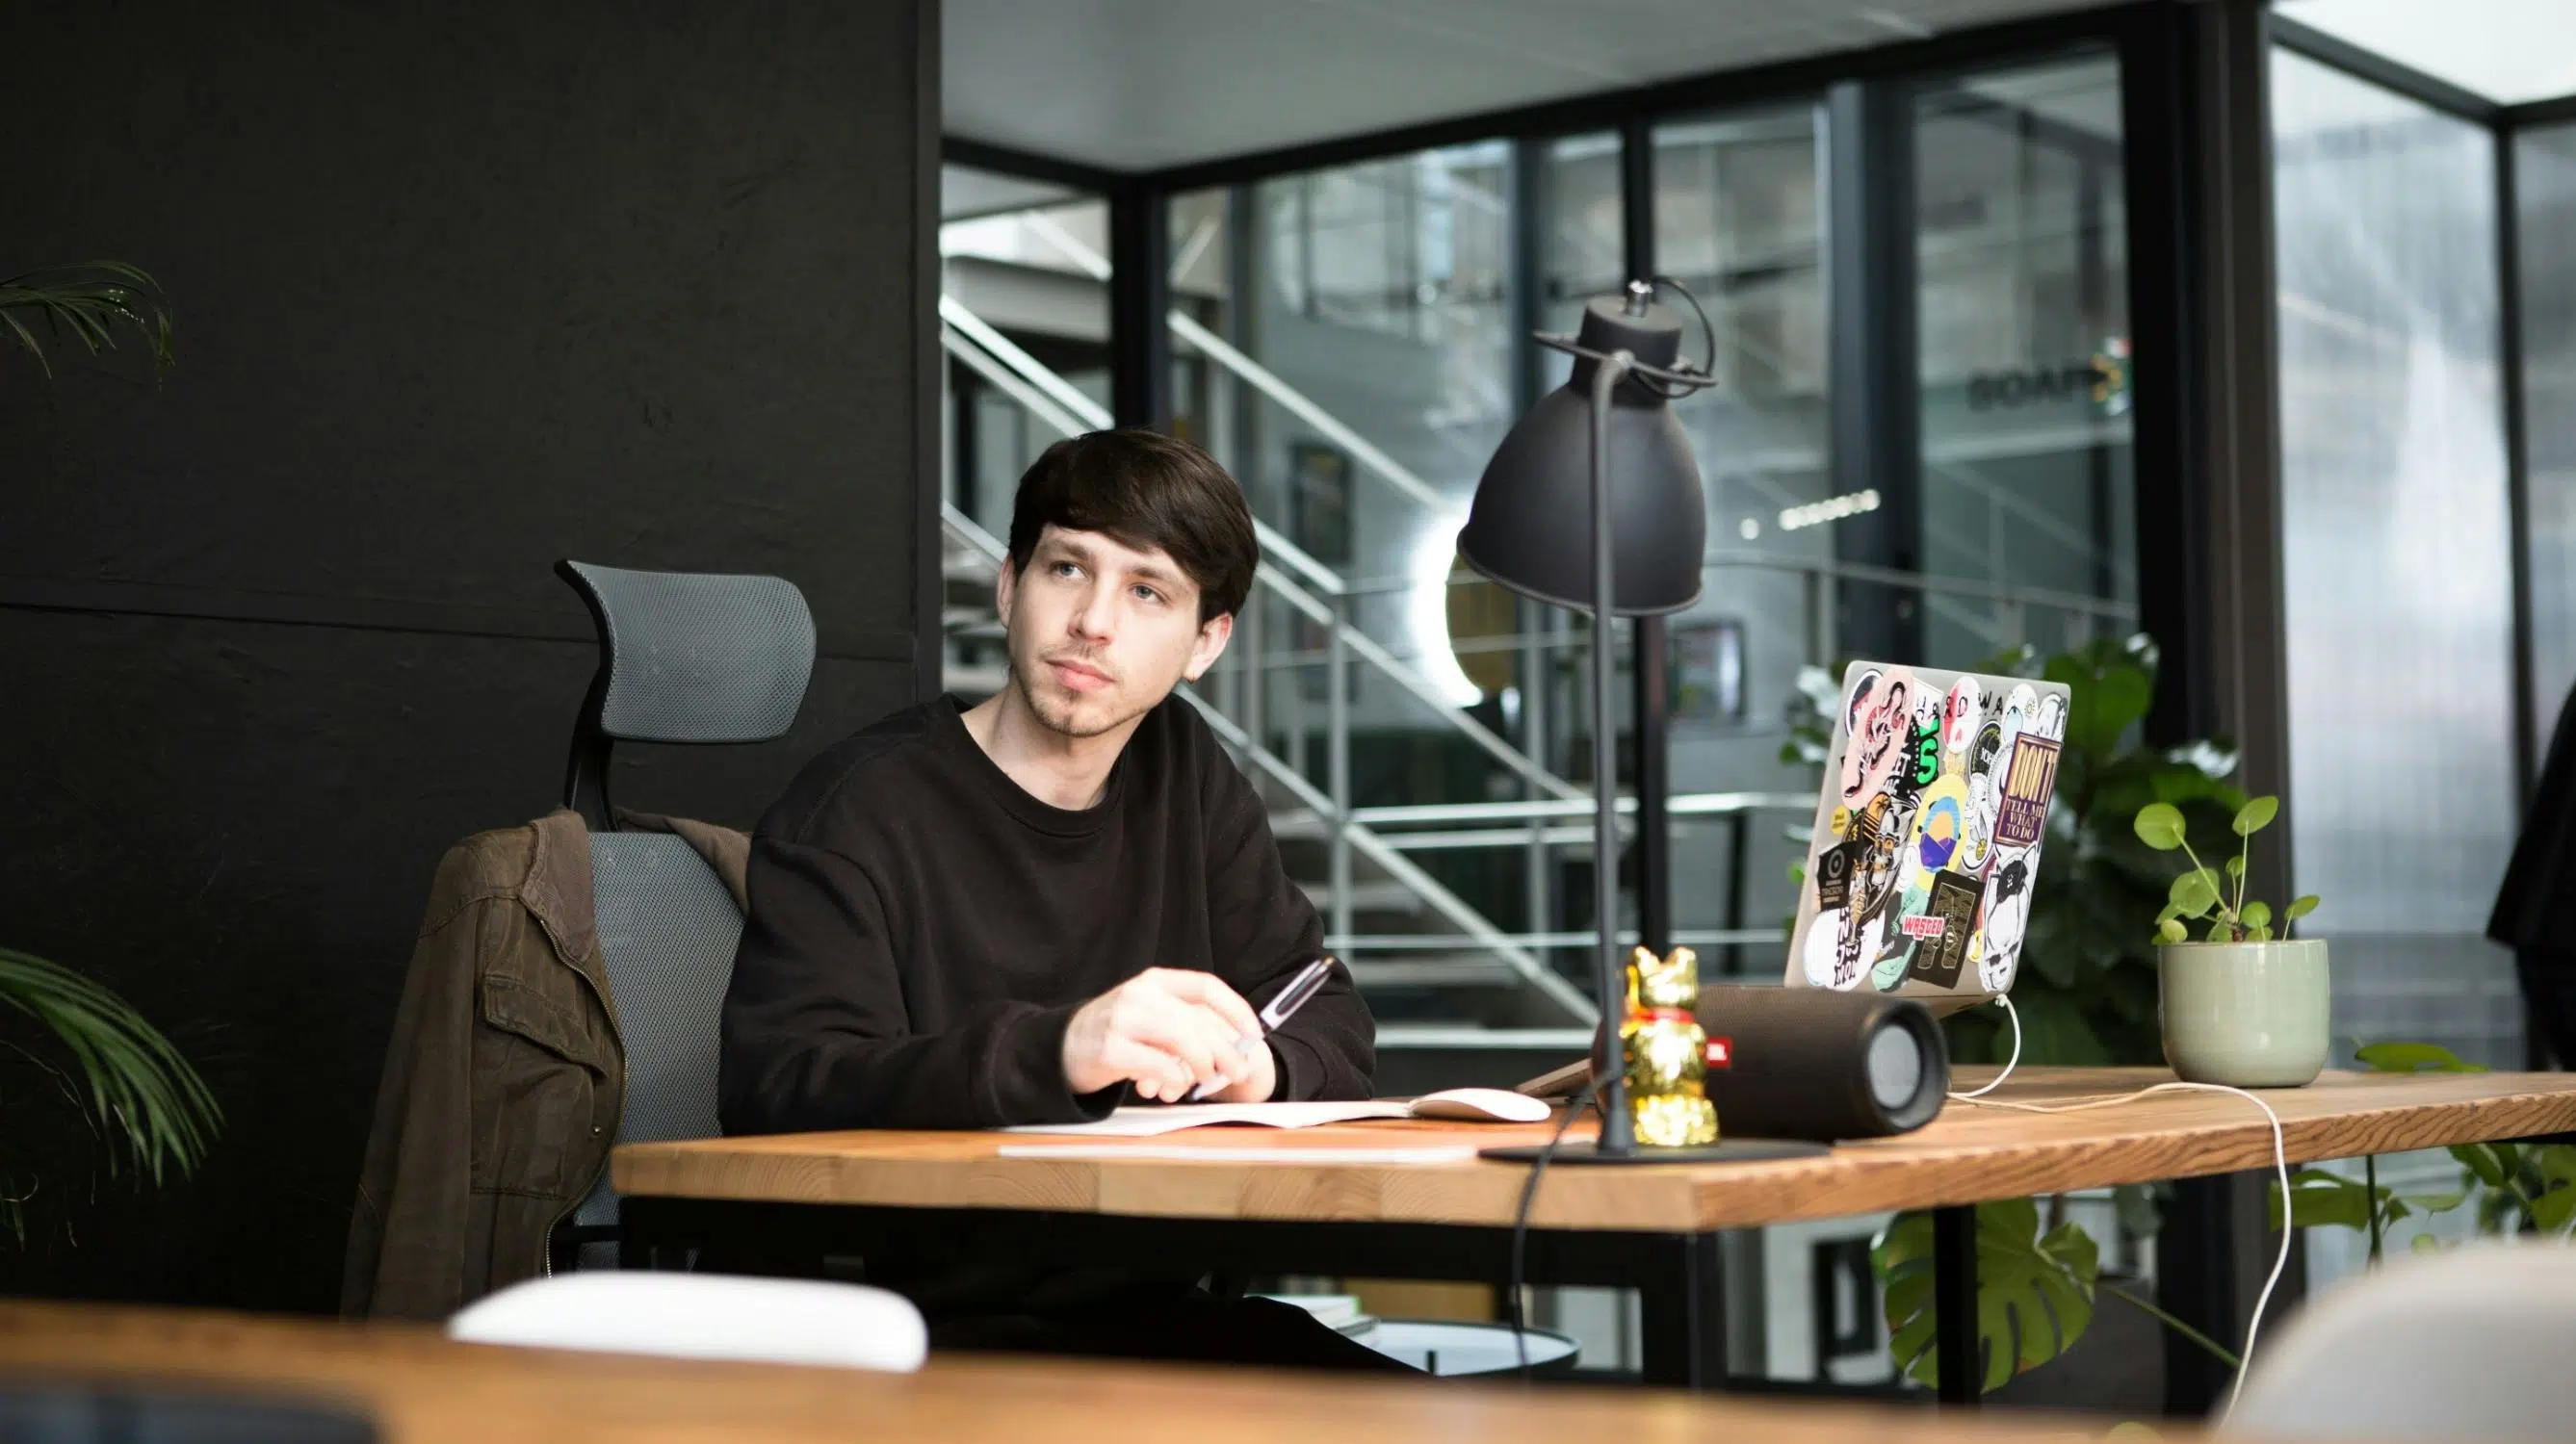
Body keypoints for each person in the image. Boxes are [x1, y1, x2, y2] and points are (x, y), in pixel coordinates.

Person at [719, 427, 1391, 1369]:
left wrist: (1259, 1074)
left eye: (1145, 591)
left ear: (1205, 643)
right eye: (1067, 569)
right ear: (1008, 588)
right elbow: (782, 1089)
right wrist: (1058, 1051)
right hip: (913, 1341)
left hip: (1151, 1320)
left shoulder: (1186, 777)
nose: (1093, 622)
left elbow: (1329, 1017)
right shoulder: (858, 807)